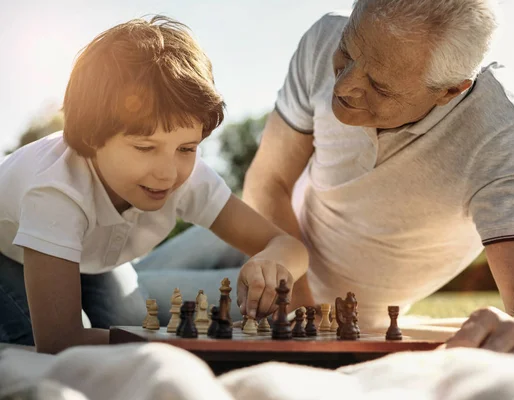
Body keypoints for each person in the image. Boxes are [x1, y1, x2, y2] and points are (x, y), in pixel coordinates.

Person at [137, 0, 514, 359]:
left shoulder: (503, 137)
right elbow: (268, 181)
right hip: (269, 228)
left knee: (120, 303)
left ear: (451, 90)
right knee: (114, 273)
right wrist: (301, 304)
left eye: (381, 87)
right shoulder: (323, 37)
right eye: (347, 53)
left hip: (330, 305)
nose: (344, 86)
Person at [0, 16, 308, 354]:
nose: (168, 174)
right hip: (8, 257)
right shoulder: (54, 192)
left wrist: (274, 260)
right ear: (92, 138)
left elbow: (289, 246)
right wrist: (180, 342)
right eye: (145, 148)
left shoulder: (186, 175)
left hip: (95, 261)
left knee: (129, 317)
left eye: (187, 148)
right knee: (40, 345)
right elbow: (60, 340)